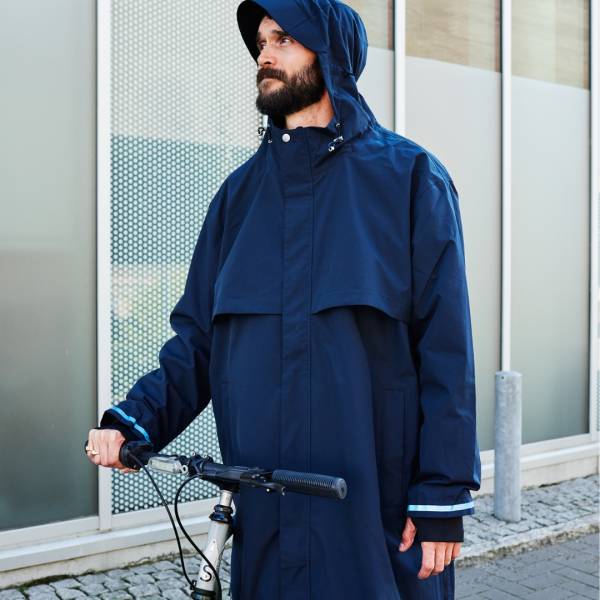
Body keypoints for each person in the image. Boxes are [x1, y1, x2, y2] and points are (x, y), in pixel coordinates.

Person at [86, 1, 481, 598]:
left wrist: (441, 499)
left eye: (284, 39)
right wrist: (132, 421)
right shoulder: (238, 197)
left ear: (332, 56)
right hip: (267, 518)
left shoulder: (409, 180)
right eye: (261, 42)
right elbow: (196, 343)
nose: (265, 55)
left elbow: (447, 353)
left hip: (373, 514)